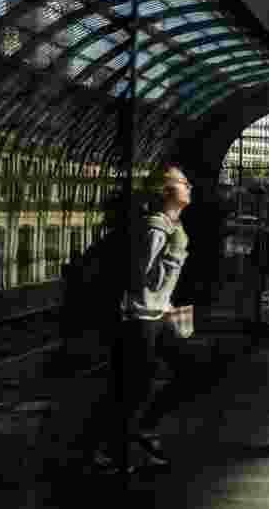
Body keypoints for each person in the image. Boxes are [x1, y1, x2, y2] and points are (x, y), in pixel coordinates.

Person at [78, 163, 194, 472]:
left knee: (162, 379)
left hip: (157, 313)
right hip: (141, 317)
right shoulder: (156, 227)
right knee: (137, 386)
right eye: (183, 182)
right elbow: (143, 278)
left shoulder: (170, 226)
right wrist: (173, 254)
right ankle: (116, 445)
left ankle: (134, 436)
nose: (189, 187)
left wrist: (169, 303)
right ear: (167, 191)